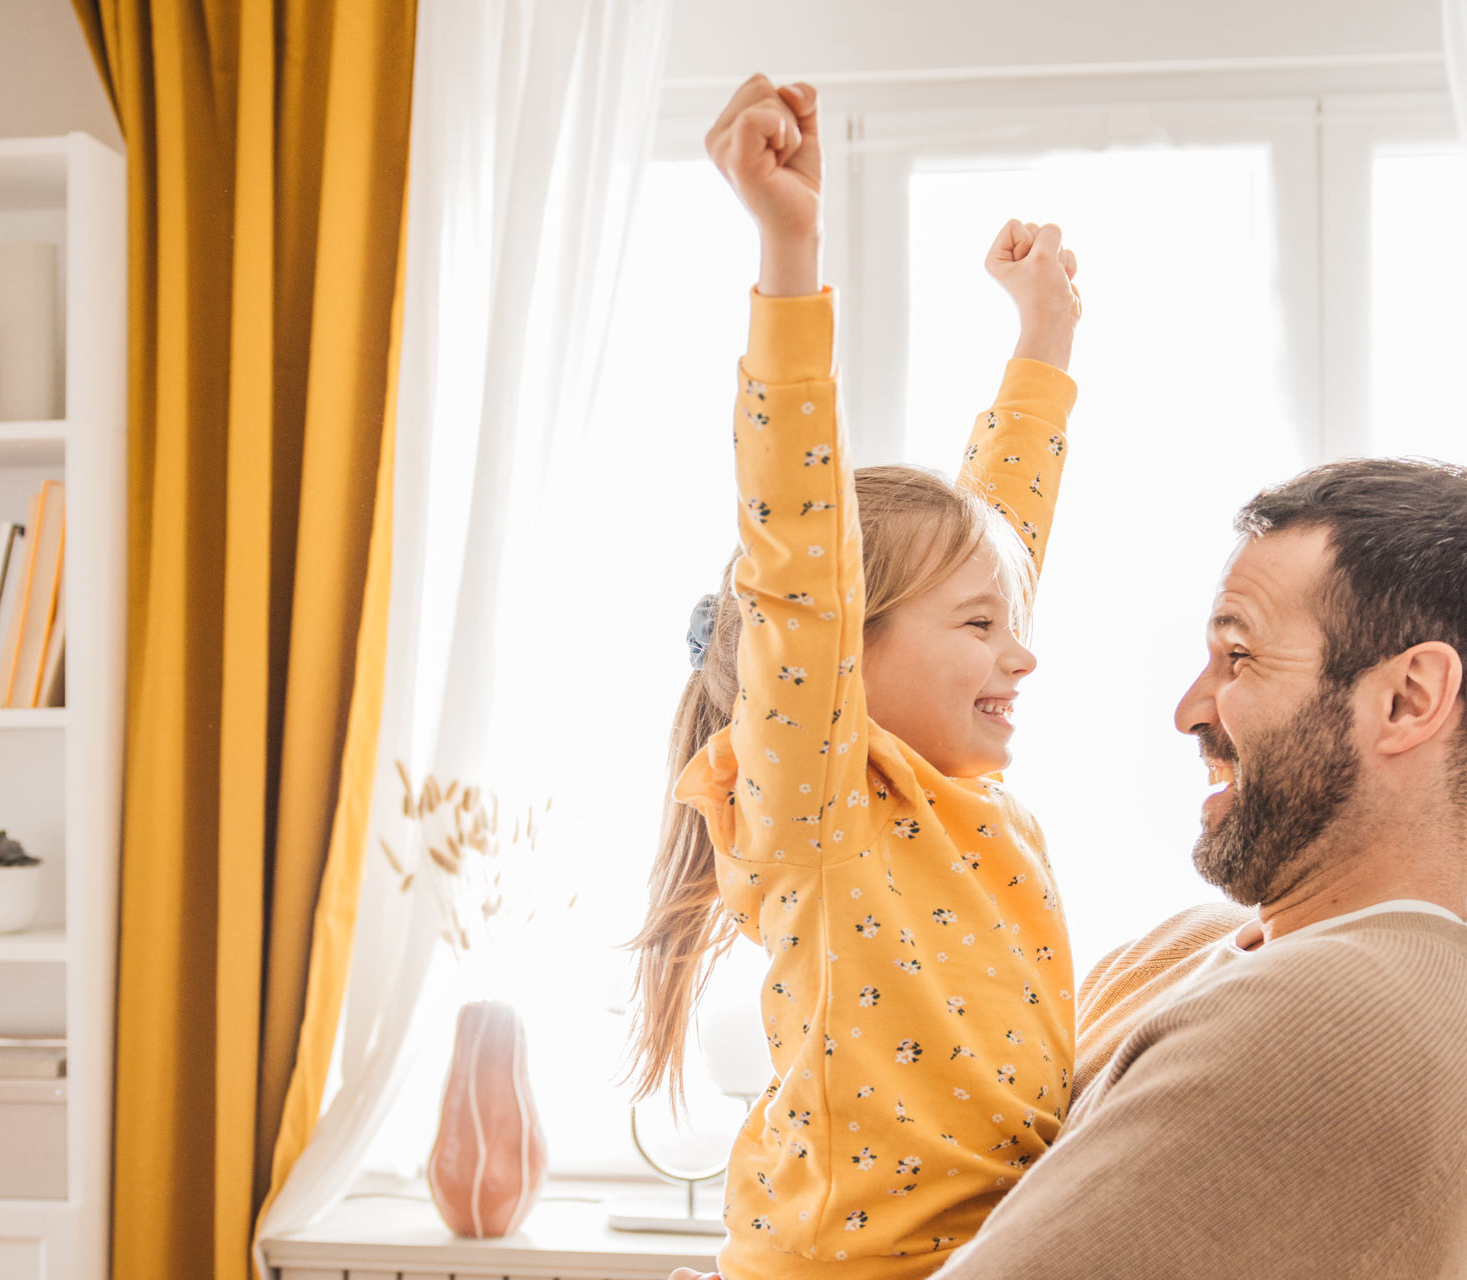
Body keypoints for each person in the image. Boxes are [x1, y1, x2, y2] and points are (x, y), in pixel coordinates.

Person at [676, 459, 1467, 1277]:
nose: (1190, 710)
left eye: (1239, 654)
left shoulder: (1334, 1018)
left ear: (1407, 700)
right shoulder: (1209, 950)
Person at [624, 73, 1090, 1279]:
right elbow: (797, 559)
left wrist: (1044, 340)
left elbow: (1000, 541)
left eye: (1011, 622)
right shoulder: (820, 806)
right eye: (982, 627)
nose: (1021, 652)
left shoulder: (964, 794)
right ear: (844, 652)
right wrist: (790, 245)